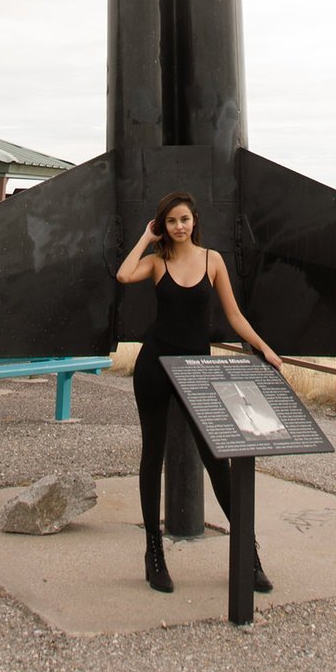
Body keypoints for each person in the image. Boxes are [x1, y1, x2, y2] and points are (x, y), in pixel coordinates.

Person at [117, 189, 283, 595]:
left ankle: (248, 556)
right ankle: (154, 555)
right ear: (163, 225)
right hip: (155, 366)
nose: (179, 226)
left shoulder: (213, 261)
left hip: (198, 372)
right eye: (171, 221)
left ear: (194, 222)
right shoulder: (157, 262)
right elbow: (123, 275)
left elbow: (234, 315)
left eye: (184, 219)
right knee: (152, 456)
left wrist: (263, 347)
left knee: (217, 461)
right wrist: (146, 237)